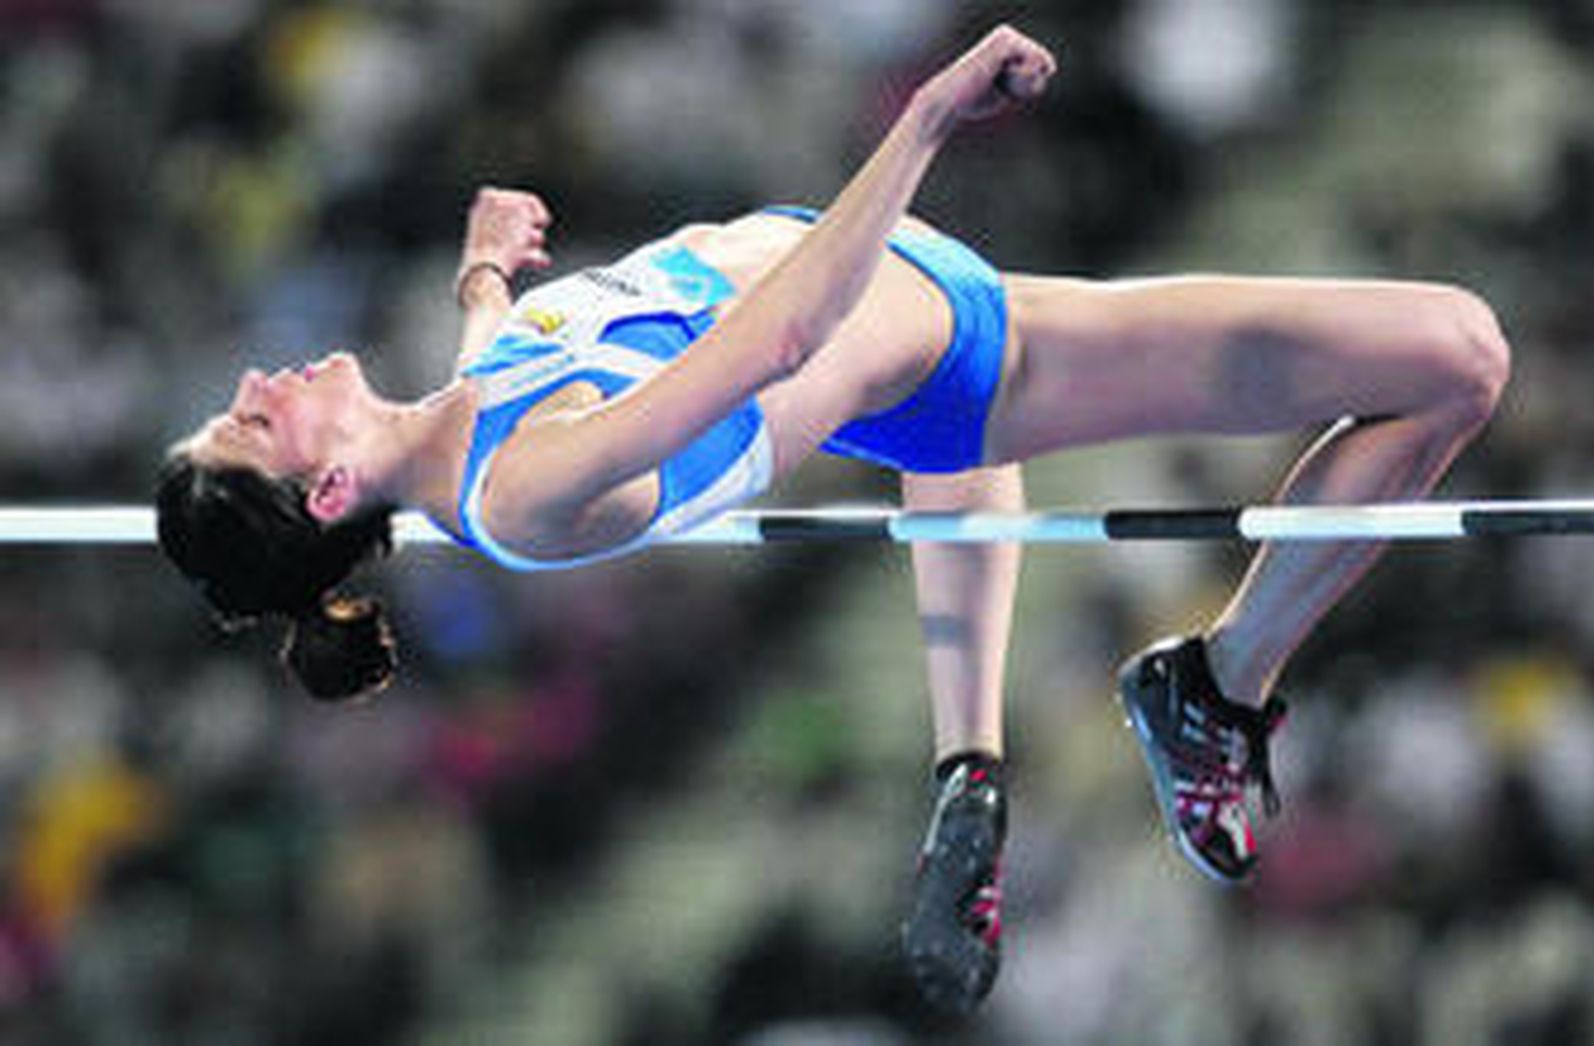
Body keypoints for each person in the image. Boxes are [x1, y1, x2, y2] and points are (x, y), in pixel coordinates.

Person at [154, 24, 1511, 1015]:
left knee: (982, 501)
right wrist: (927, 117)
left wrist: (482, 275)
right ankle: (1224, 682)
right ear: (326, 493)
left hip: (914, 321)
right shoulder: (522, 489)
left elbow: (498, 371)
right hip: (979, 350)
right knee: (1459, 356)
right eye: (252, 422)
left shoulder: (462, 419)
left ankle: (969, 765)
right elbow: (782, 333)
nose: (262, 382)